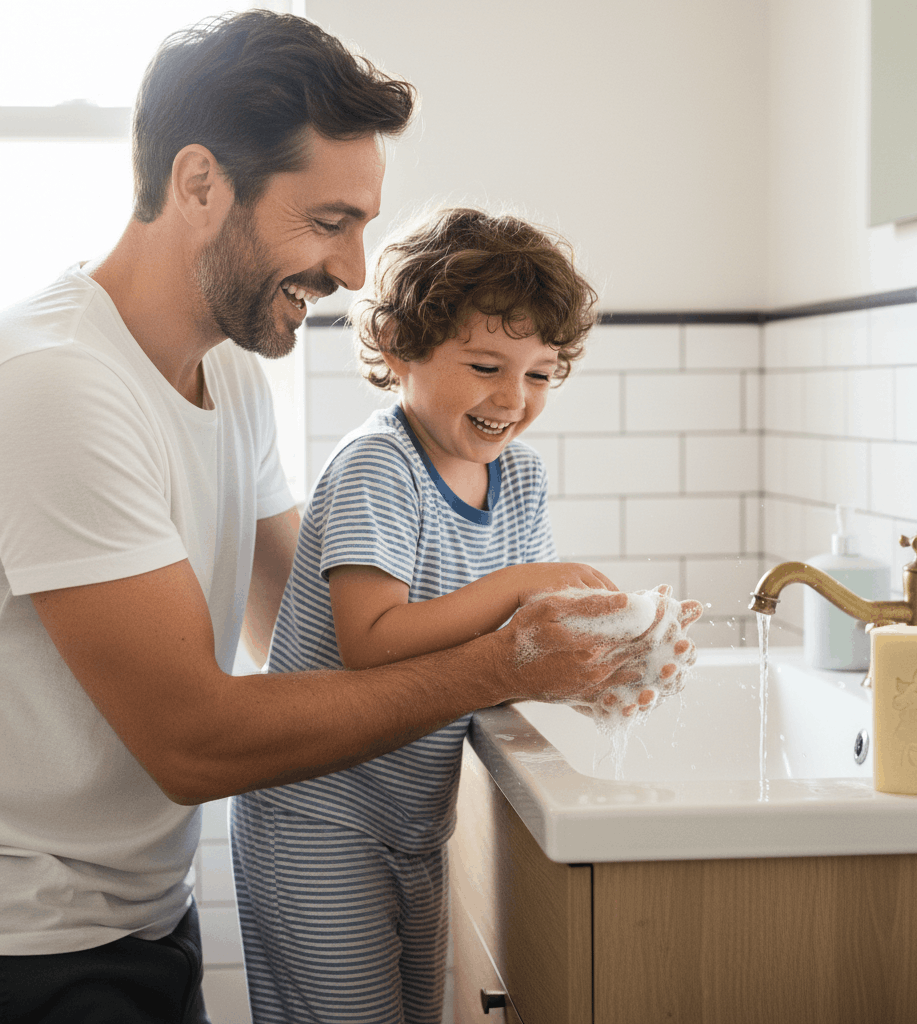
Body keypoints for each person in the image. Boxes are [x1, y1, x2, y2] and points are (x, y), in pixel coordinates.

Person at [0, 10, 694, 1022]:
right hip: (34, 936)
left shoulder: (224, 368)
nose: (359, 270)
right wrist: (506, 661)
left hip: (139, 908)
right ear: (199, 184)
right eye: (329, 221)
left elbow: (294, 621)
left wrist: (578, 654)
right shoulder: (57, 384)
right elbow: (193, 742)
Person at [230, 206, 686, 1024]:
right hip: (316, 817)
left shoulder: (523, 480)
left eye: (541, 374)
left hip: (412, 817)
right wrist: (520, 585)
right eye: (486, 366)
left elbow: (523, 640)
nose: (514, 398)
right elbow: (372, 645)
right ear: (401, 347)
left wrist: (610, 662)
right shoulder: (380, 465)